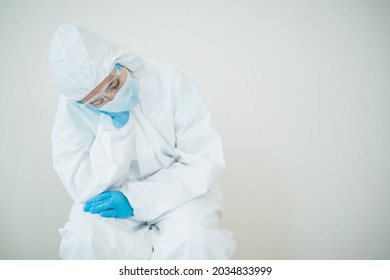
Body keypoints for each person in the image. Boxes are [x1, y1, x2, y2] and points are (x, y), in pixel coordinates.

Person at [48, 23, 235, 260]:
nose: (112, 99)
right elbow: (79, 181)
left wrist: (137, 198)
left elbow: (203, 161)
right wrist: (113, 131)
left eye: (113, 85)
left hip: (181, 198)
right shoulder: (73, 107)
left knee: (193, 240)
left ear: (119, 61)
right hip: (114, 204)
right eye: (98, 102)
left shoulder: (168, 80)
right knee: (82, 236)